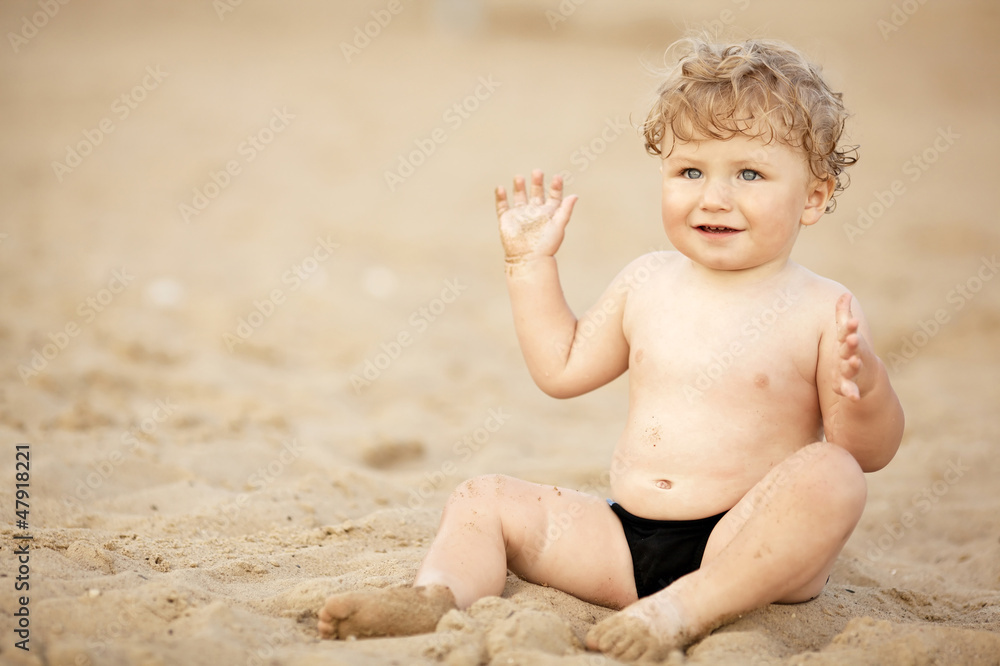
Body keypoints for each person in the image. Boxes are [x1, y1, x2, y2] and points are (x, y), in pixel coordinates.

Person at [318, 36, 904, 662]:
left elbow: (865, 452)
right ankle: (435, 597)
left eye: (750, 174)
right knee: (481, 496)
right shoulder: (646, 281)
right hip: (624, 540)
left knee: (832, 476)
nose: (713, 197)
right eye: (690, 172)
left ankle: (685, 609)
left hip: (746, 550)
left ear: (813, 196)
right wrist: (530, 266)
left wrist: (865, 387)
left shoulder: (822, 308)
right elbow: (561, 367)